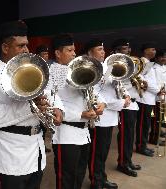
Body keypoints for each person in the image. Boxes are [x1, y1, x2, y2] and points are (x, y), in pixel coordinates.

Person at [0, 20, 63, 189]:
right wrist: (29, 108)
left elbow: (49, 90)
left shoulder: (32, 66)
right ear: (5, 48)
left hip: (36, 148)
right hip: (10, 153)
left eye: (27, 45)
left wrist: (57, 107)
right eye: (20, 46)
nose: (27, 50)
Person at [50, 34, 105, 189]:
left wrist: (102, 104)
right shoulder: (57, 72)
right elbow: (53, 105)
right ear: (58, 53)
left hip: (84, 133)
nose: (74, 53)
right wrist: (81, 114)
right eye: (69, 50)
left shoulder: (74, 68)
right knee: (66, 178)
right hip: (66, 134)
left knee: (79, 174)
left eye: (74, 50)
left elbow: (94, 90)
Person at [86, 39, 130, 189]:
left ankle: (101, 177)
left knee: (103, 151)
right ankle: (95, 181)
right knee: (97, 152)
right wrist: (120, 103)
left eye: (103, 49)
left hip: (110, 117)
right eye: (99, 49)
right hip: (100, 118)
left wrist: (126, 95)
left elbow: (118, 87)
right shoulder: (91, 69)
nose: (103, 52)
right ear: (89, 53)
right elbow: (96, 94)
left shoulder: (108, 67)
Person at [111, 38, 142, 177]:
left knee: (130, 135)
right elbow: (118, 84)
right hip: (125, 104)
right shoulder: (116, 64)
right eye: (124, 48)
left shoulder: (131, 63)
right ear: (117, 51)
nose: (128, 50)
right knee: (125, 135)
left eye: (128, 48)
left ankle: (127, 161)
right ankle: (123, 163)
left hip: (133, 103)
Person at [135, 43, 159, 157]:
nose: (154, 51)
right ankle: (140, 146)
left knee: (146, 124)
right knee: (142, 124)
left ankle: (143, 145)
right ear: (145, 51)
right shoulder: (142, 62)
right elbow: (142, 80)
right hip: (144, 99)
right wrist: (157, 90)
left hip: (150, 98)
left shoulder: (149, 63)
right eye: (152, 49)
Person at [149, 49, 166, 145]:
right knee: (156, 120)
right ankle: (154, 139)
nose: (164, 58)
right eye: (162, 57)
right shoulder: (153, 68)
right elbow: (154, 83)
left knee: (162, 119)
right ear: (156, 58)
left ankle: (159, 134)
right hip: (157, 97)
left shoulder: (164, 67)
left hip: (164, 97)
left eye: (165, 57)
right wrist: (160, 91)